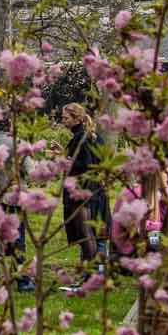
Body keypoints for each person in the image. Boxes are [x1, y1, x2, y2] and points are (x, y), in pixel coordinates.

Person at [0, 119, 35, 292]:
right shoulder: (18, 143)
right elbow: (31, 171)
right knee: (17, 240)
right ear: (9, 125)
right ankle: (23, 281)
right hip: (14, 199)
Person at [60, 103, 107, 265]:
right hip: (96, 190)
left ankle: (91, 273)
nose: (63, 121)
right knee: (94, 234)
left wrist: (65, 162)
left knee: (85, 234)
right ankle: (95, 272)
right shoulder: (93, 136)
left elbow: (85, 165)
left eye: (66, 118)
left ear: (77, 118)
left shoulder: (81, 138)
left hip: (81, 192)